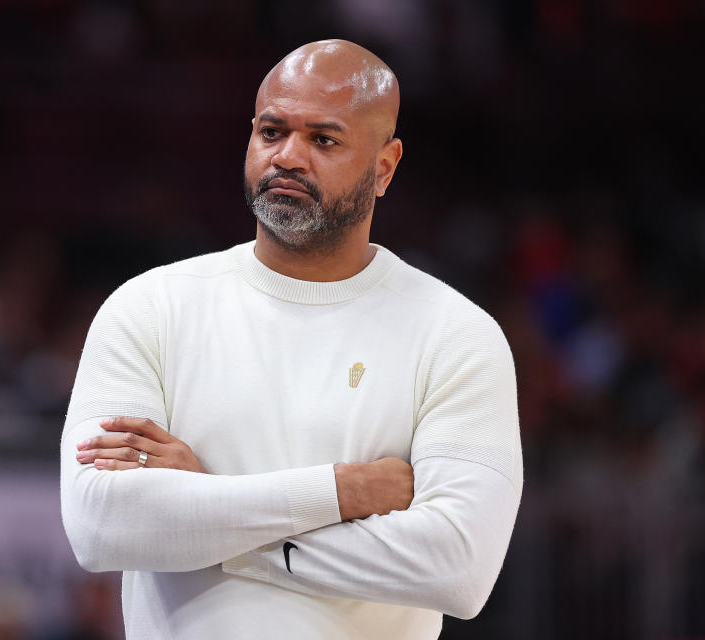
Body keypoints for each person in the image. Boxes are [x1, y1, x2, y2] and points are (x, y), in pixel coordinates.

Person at [60, 39, 522, 640]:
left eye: (323, 140)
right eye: (271, 132)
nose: (288, 157)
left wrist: (206, 517)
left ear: (385, 166)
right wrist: (344, 491)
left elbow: (459, 567)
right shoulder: (150, 308)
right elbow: (101, 528)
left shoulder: (455, 334)